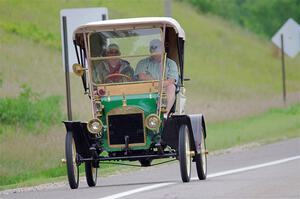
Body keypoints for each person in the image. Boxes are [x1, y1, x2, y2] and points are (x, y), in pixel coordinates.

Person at [135, 39, 178, 115]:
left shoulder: (171, 64)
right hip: (146, 89)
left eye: (158, 53)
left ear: (163, 51)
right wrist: (159, 82)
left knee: (171, 87)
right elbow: (141, 77)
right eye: (153, 53)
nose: (156, 55)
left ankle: (165, 114)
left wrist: (153, 81)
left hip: (164, 90)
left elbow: (171, 81)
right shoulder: (143, 63)